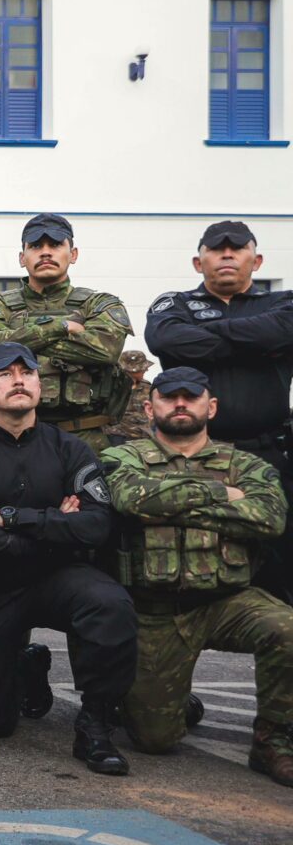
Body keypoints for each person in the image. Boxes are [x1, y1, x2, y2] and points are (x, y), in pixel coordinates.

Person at [0, 342, 136, 774]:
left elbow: (96, 525)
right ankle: (26, 664)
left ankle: (95, 725)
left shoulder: (71, 450)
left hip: (58, 576)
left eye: (26, 373)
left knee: (108, 603)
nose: (18, 381)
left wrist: (10, 517)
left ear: (39, 386)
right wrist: (53, 529)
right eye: (4, 374)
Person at [100, 367, 293, 787]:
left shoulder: (246, 463)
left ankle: (273, 742)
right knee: (154, 739)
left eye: (191, 396)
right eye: (170, 397)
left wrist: (167, 498)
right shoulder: (123, 456)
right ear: (151, 407)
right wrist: (223, 494)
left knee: (287, 627)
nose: (181, 404)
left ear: (212, 406)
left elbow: (270, 517)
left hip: (228, 601)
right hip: (154, 610)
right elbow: (131, 498)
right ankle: (176, 701)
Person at [144, 220, 293, 598]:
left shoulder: (282, 303)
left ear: (257, 261)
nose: (227, 254)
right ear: (198, 263)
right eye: (216, 248)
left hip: (271, 455)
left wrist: (207, 337)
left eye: (237, 248)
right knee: (186, 567)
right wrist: (255, 341)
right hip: (192, 458)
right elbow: (164, 338)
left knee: (280, 570)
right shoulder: (173, 304)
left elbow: (281, 329)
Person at [0, 213, 134, 453]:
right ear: (22, 258)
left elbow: (105, 349)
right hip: (10, 438)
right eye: (35, 246)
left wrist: (16, 339)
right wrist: (60, 328)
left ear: (73, 254)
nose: (45, 252)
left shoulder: (100, 303)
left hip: (84, 438)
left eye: (55, 245)